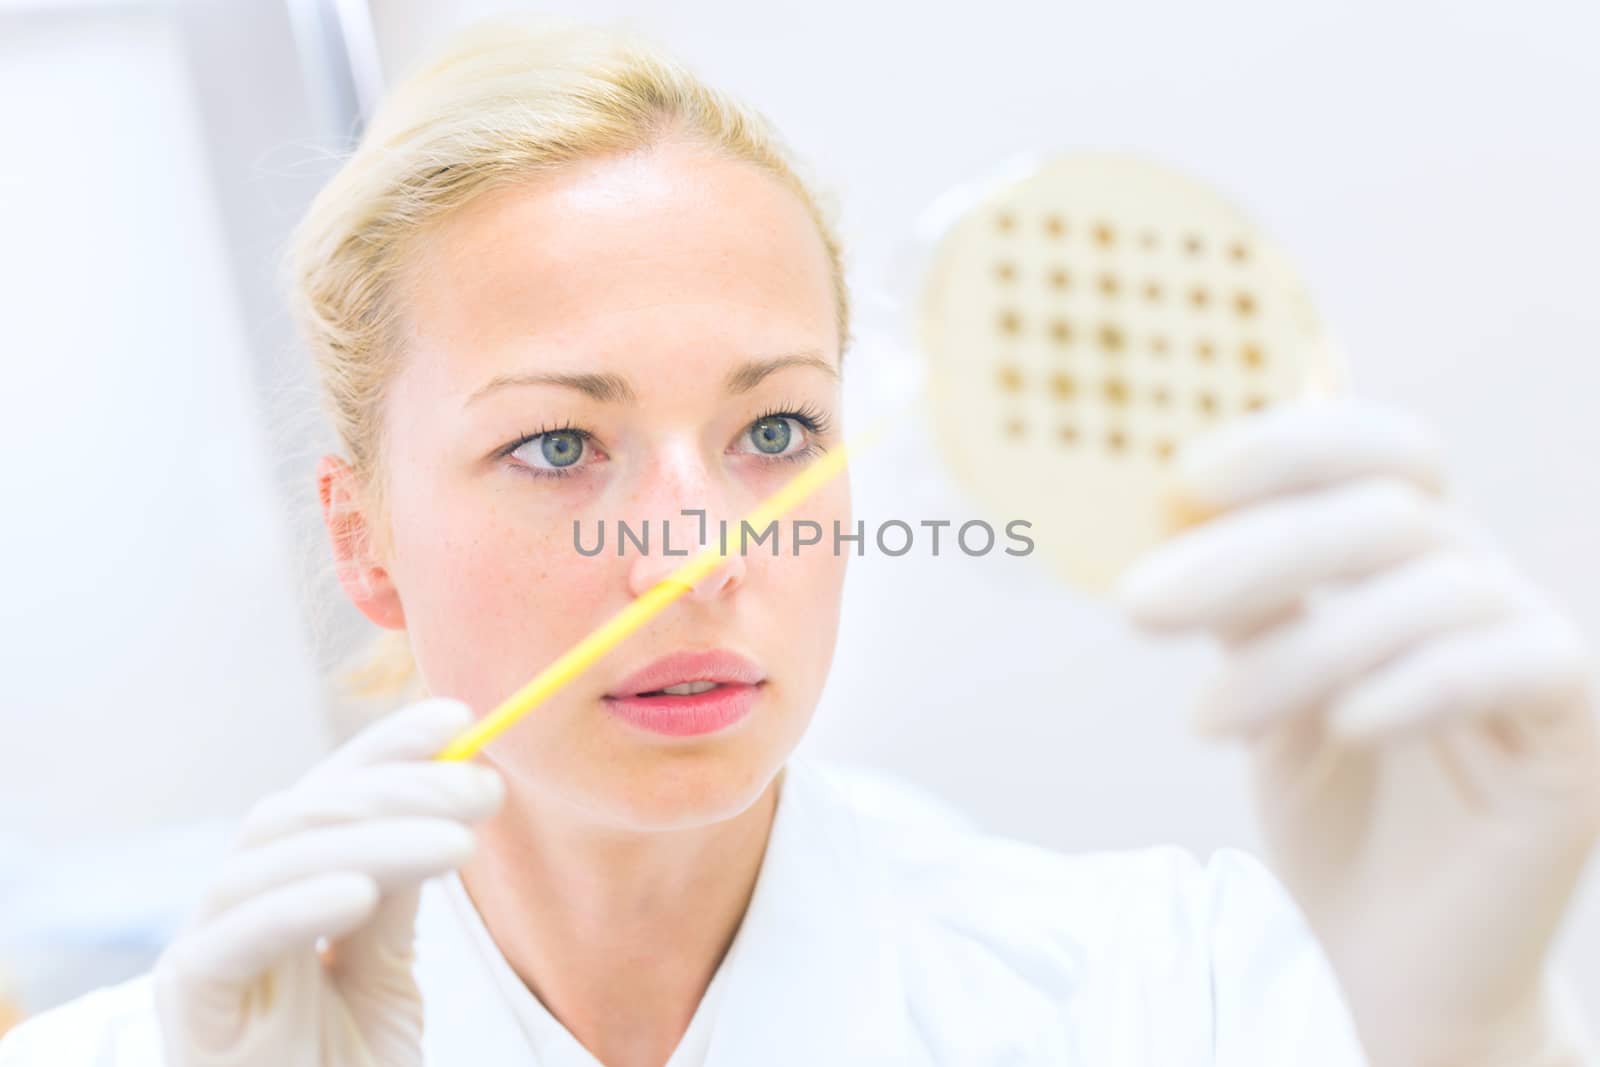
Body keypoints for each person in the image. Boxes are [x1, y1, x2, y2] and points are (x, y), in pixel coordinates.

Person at [4, 13, 1597, 1067]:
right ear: (364, 545)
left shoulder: (1166, 996)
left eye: (776, 431)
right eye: (557, 444)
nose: (695, 554)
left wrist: (1473, 1033)